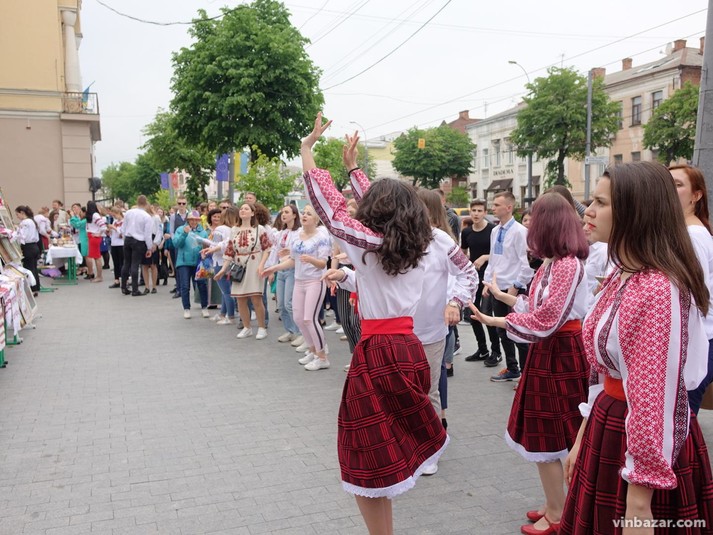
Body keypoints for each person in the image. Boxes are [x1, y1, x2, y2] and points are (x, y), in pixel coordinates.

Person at [303, 116, 448, 534]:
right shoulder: (422, 243)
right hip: (408, 348)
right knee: (380, 455)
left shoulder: (367, 245)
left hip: (378, 352)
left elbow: (331, 207)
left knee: (365, 458)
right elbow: (385, 206)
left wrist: (308, 148)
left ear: (373, 214)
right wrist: (354, 169)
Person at [560, 162, 713, 534]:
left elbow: (654, 397)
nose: (588, 212)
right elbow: (604, 369)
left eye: (600, 203)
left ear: (635, 211)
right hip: (612, 422)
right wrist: (583, 434)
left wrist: (640, 501)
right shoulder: (623, 271)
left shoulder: (657, 287)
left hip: (641, 439)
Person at [471, 193, 590, 534]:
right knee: (545, 433)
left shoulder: (566, 264)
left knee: (551, 434)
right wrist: (504, 298)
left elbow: (547, 319)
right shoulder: (554, 262)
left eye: (535, 217)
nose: (531, 224)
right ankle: (555, 504)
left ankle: (558, 512)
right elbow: (537, 308)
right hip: (550, 350)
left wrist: (497, 320)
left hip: (560, 351)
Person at [415, 188, 479, 473]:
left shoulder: (440, 240)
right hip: (401, 330)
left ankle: (431, 449)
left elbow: (468, 274)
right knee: (406, 390)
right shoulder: (399, 237)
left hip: (431, 330)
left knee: (428, 389)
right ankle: (412, 443)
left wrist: (455, 302)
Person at [670, 164, 713, 415]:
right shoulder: (686, 232)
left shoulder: (692, 235)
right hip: (694, 339)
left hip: (697, 341)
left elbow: (693, 297)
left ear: (696, 195)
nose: (669, 189)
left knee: (681, 422)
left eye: (677, 185)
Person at [483, 191, 534, 380]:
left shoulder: (520, 231)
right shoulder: (495, 230)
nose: (493, 208)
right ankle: (512, 368)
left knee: (519, 332)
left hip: (513, 289)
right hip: (498, 287)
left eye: (497, 205)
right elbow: (493, 259)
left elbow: (526, 263)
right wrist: (487, 282)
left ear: (509, 207)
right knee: (502, 330)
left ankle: (526, 374)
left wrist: (516, 285)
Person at [214, 203, 271, 340]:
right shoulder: (234, 230)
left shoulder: (259, 229)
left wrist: (262, 265)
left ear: (252, 213)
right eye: (241, 209)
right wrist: (223, 269)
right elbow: (230, 251)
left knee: (256, 298)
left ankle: (262, 327)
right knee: (240, 299)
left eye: (246, 209)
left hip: (254, 264)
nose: (243, 211)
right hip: (239, 265)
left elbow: (267, 248)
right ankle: (247, 327)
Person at [461, 199, 501, 363]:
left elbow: (500, 254)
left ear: (485, 213)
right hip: (473, 277)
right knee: (473, 314)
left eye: (479, 211)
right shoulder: (466, 232)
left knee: (487, 314)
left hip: (489, 277)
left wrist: (485, 257)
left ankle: (496, 351)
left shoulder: (492, 230)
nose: (476, 214)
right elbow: (463, 254)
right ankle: (482, 349)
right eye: (473, 210)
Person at [266, 205, 302, 343]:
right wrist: (271, 269)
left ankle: (299, 333)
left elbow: (300, 250)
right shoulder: (280, 233)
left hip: (292, 269)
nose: (283, 214)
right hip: (280, 270)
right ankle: (290, 330)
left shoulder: (299, 232)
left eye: (287, 212)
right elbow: (275, 251)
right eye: (282, 212)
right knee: (280, 305)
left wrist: (290, 250)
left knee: (289, 303)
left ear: (294, 215)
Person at [172, 210, 209, 319]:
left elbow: (207, 246)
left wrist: (205, 252)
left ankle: (204, 307)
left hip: (198, 261)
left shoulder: (203, 232)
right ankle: (186, 309)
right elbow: (176, 244)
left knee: (202, 285)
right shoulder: (180, 229)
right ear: (188, 220)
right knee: (185, 286)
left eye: (196, 219)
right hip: (183, 262)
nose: (194, 221)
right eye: (191, 219)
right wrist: (184, 233)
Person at [120, 196, 154, 296]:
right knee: (135, 264)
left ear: (137, 202)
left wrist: (125, 238)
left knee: (126, 263)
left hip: (128, 238)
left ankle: (123, 286)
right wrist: (149, 247)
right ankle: (135, 289)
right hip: (139, 241)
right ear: (146, 203)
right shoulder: (146, 216)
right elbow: (147, 234)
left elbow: (123, 228)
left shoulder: (129, 213)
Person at [13, 205, 41, 294]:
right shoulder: (32, 221)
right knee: (34, 268)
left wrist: (14, 234)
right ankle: (36, 287)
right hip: (34, 246)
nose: (17, 216)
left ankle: (31, 289)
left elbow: (22, 236)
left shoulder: (25, 222)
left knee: (29, 268)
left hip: (28, 247)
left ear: (22, 213)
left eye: (17, 214)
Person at [85, 200, 106, 283]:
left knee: (97, 257)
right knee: (96, 257)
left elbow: (103, 226)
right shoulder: (93, 215)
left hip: (94, 236)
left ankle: (99, 276)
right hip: (92, 236)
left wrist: (99, 233)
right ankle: (99, 276)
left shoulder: (94, 215)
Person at [106, 206, 124, 289]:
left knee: (122, 263)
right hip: (114, 243)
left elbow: (122, 233)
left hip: (121, 244)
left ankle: (124, 280)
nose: (114, 217)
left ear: (118, 213)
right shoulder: (115, 221)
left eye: (115, 215)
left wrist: (114, 228)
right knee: (115, 263)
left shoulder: (124, 221)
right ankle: (116, 280)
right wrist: (109, 231)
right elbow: (113, 233)